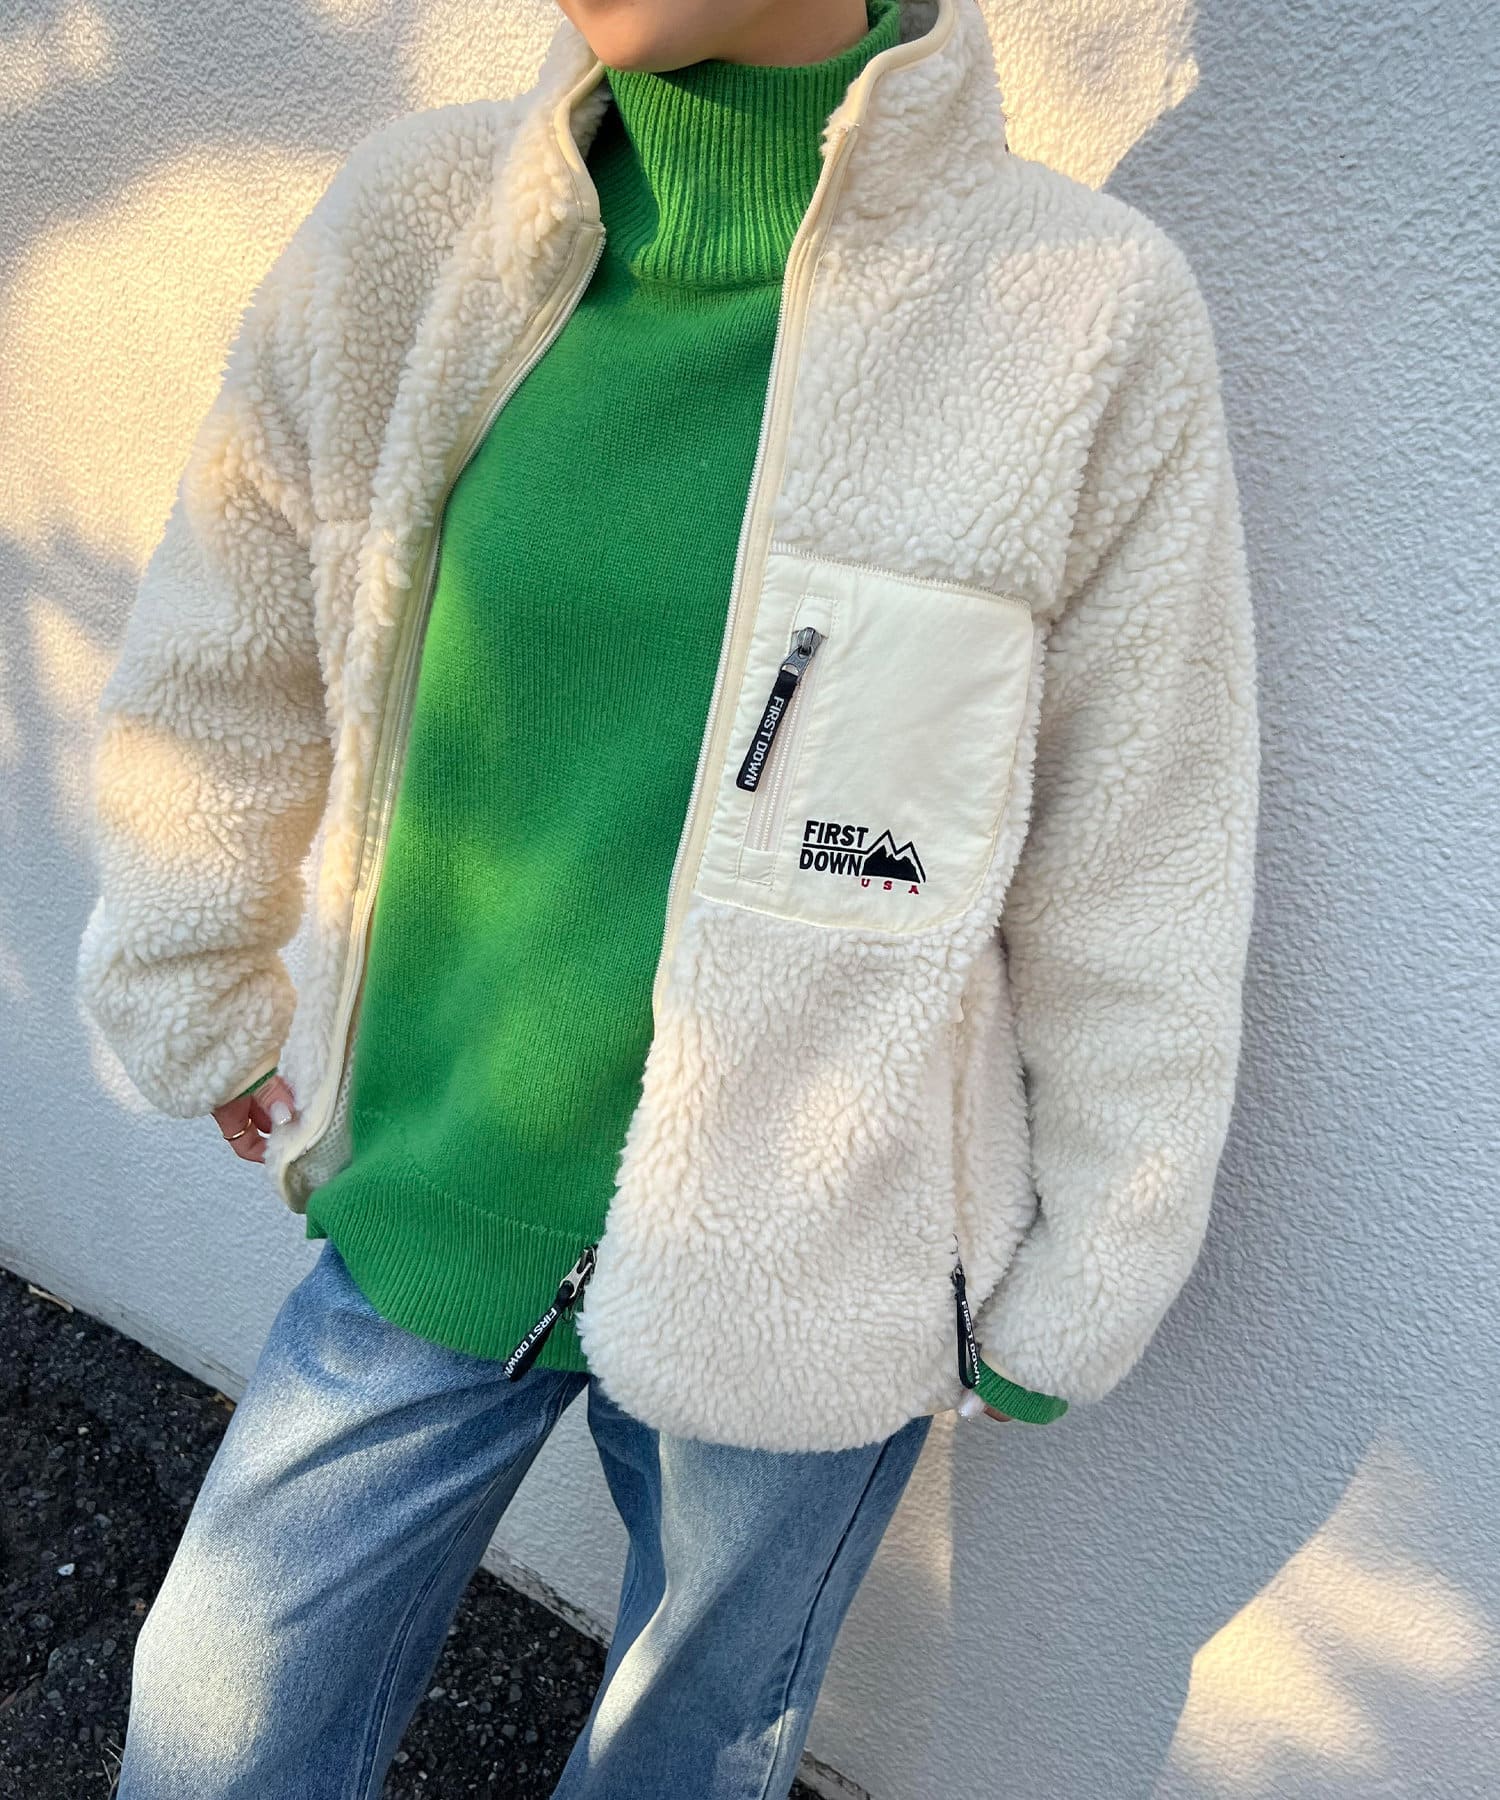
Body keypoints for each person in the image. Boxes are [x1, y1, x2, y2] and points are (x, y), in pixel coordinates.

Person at [75, 0, 1259, 1792]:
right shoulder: (418, 229)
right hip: (439, 1170)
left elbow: (1143, 831)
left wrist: (1101, 1250)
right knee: (215, 1725)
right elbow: (222, 641)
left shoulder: (1077, 313)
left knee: (686, 1754)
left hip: (818, 1258)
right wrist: (192, 952)